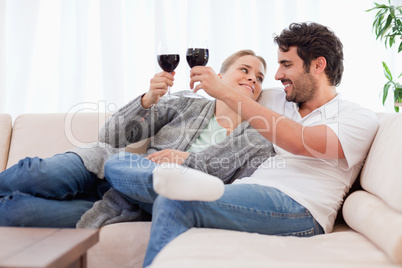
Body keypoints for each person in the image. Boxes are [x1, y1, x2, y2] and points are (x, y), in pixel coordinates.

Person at [120, 22, 379, 267]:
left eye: (286, 65)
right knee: (117, 164)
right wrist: (155, 96)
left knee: (175, 200)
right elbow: (235, 92)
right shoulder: (280, 100)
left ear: (318, 65)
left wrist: (223, 91)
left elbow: (302, 142)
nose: (278, 75)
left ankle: (129, 181)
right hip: (250, 190)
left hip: (300, 207)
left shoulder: (357, 117)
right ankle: (122, 176)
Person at [0, 50, 274, 228]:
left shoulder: (258, 138)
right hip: (103, 167)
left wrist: (188, 160)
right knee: (33, 174)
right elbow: (110, 137)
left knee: (15, 212)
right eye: (245, 70)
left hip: (129, 203)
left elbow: (237, 198)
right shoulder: (186, 104)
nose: (253, 79)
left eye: (260, 78)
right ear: (219, 75)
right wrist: (147, 100)